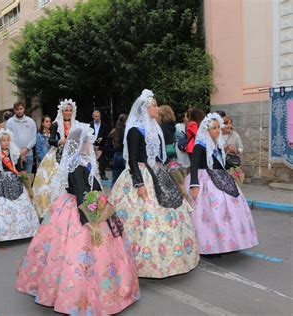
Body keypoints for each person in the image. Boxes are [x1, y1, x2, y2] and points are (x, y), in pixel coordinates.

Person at [16, 125, 139, 314]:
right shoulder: (76, 164)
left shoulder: (85, 161)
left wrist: (102, 202)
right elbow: (81, 193)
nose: (90, 145)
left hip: (92, 204)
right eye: (88, 142)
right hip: (80, 211)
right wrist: (89, 221)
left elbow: (94, 185)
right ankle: (78, 295)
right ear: (81, 144)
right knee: (76, 253)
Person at [110, 89, 199, 278]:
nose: (157, 109)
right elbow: (133, 159)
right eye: (154, 105)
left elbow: (158, 155)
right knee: (143, 218)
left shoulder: (153, 128)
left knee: (171, 209)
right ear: (146, 108)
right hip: (140, 174)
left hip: (156, 171)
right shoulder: (135, 130)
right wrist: (139, 184)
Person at [185, 113, 258, 254]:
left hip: (220, 178)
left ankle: (228, 242)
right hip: (204, 180)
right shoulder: (199, 145)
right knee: (211, 212)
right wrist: (194, 185)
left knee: (228, 210)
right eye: (214, 128)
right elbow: (194, 165)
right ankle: (209, 245)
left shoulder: (217, 145)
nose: (217, 130)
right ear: (206, 130)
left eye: (218, 127)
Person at [32, 99, 80, 218]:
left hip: (73, 154)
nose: (68, 112)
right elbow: (50, 140)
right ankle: (56, 208)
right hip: (58, 154)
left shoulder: (76, 123)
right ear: (62, 111)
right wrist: (59, 141)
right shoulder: (56, 124)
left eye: (70, 110)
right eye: (66, 110)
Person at [5, 101, 37, 175]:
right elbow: (8, 138)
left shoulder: (30, 121)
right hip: (15, 155)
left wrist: (26, 149)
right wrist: (19, 152)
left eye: (21, 109)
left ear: (24, 109)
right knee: (17, 179)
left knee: (28, 179)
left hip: (29, 154)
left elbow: (34, 138)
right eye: (17, 109)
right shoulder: (10, 122)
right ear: (14, 110)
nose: (19, 111)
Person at [222, 116, 245, 184]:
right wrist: (224, 149)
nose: (228, 125)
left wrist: (234, 150)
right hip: (220, 164)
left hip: (232, 164)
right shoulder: (218, 135)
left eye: (230, 123)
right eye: (226, 124)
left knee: (234, 184)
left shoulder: (235, 134)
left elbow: (241, 148)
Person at [107, 113, 127, 186]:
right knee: (126, 177)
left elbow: (108, 145)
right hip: (125, 155)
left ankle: (113, 193)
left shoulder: (114, 131)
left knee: (115, 177)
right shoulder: (127, 131)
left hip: (116, 155)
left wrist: (112, 153)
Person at [90, 110, 110, 180]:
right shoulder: (90, 125)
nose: (97, 118)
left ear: (100, 116)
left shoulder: (104, 125)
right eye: (96, 116)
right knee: (91, 161)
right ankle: (92, 175)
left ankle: (102, 174)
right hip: (91, 145)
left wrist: (102, 138)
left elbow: (107, 135)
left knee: (102, 161)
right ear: (93, 117)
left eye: (98, 116)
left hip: (101, 146)